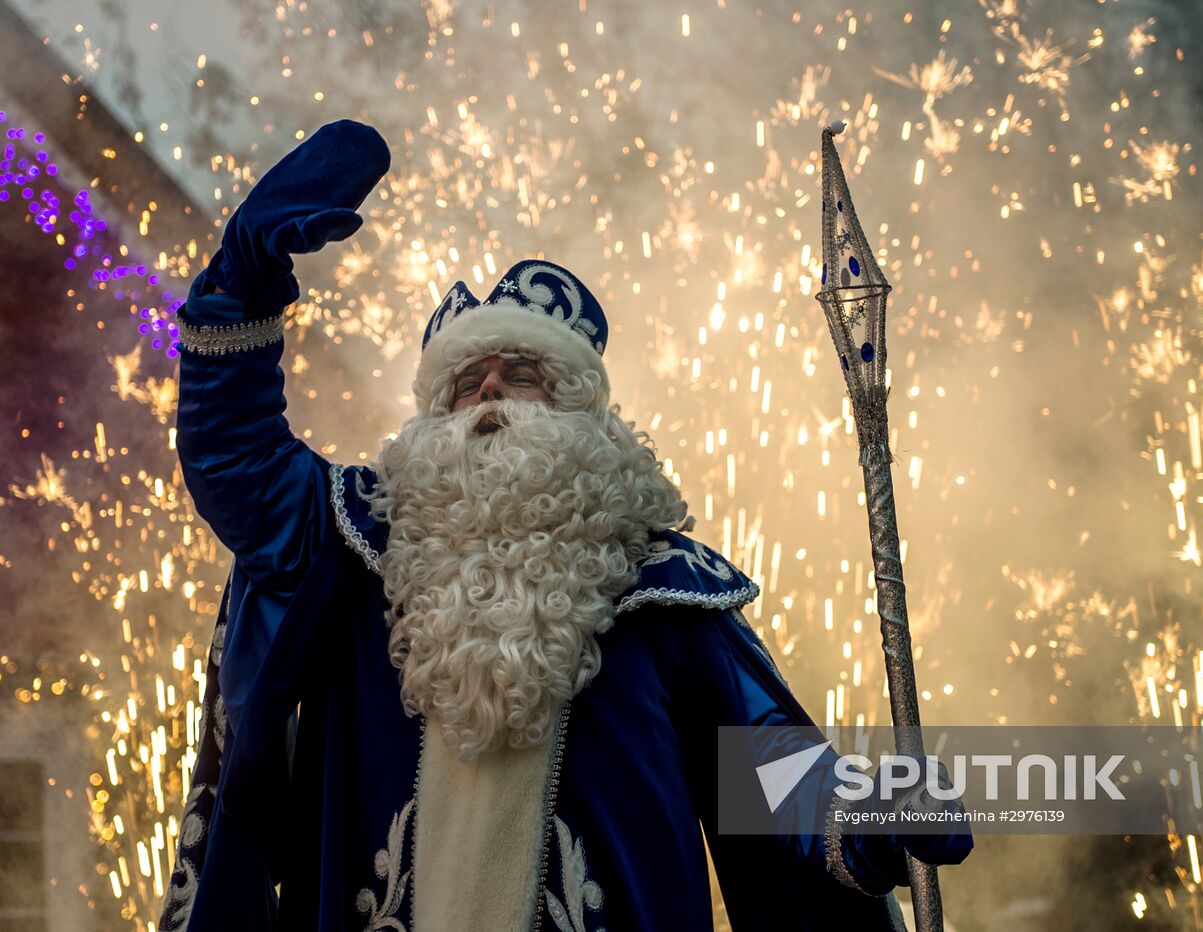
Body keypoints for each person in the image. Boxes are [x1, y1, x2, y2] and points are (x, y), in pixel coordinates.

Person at [158, 120, 969, 932]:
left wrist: (863, 821)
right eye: (465, 382)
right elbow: (236, 463)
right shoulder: (354, 544)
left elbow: (766, 764)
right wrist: (243, 283)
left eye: (524, 376)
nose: (488, 395)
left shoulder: (663, 589)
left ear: (584, 419)